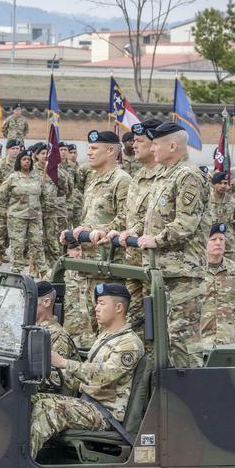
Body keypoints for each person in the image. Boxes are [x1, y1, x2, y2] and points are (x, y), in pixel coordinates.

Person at [113, 122, 209, 368]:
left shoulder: (188, 175)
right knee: (159, 338)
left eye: (156, 143)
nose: (152, 148)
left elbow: (186, 223)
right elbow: (152, 218)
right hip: (160, 271)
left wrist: (157, 240)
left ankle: (190, 396)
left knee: (181, 341)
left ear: (173, 145)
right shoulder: (165, 175)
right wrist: (134, 232)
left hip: (182, 273)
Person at [29, 283, 144, 459]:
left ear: (119, 307)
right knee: (28, 401)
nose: (96, 308)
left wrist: (64, 363)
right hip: (88, 404)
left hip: (105, 413)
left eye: (102, 303)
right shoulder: (105, 336)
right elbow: (85, 380)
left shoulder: (129, 344)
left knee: (46, 409)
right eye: (97, 303)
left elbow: (104, 375)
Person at [65, 130, 131, 346]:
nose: (89, 153)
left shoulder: (121, 181)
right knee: (95, 323)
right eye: (89, 149)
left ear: (111, 150)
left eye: (94, 149)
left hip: (110, 265)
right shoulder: (93, 179)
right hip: (91, 264)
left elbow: (127, 219)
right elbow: (90, 217)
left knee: (111, 327)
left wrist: (101, 231)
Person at [119, 119, 162, 330]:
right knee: (136, 323)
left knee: (158, 323)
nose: (133, 145)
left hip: (157, 266)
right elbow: (129, 218)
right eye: (133, 141)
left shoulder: (166, 178)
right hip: (134, 263)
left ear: (155, 143)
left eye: (139, 140)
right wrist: (102, 230)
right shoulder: (138, 177)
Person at [0, 148, 48, 274]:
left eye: (29, 160)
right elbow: (0, 197)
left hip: (35, 216)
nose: (27, 162)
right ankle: (17, 269)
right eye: (24, 159)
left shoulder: (37, 177)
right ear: (19, 161)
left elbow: (44, 196)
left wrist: (42, 212)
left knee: (37, 243)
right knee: (17, 245)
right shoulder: (13, 177)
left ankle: (42, 270)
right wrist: (3, 213)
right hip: (17, 217)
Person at [201, 223, 235, 345]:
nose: (218, 243)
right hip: (201, 345)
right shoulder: (194, 271)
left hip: (229, 344)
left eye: (221, 239)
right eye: (213, 239)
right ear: (203, 242)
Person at [34, 280, 78, 362]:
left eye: (31, 302)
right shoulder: (32, 327)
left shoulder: (58, 337)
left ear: (46, 302)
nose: (26, 307)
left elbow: (55, 372)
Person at [208, 171, 235, 261]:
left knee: (229, 273)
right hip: (209, 246)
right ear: (213, 185)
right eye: (220, 183)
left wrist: (231, 231)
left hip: (229, 248)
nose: (223, 186)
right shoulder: (206, 201)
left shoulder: (233, 203)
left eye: (225, 183)